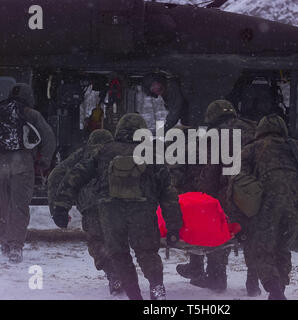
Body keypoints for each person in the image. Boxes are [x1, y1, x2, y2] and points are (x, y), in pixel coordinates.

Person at [53, 113, 183, 300]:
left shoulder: (104, 151)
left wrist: (61, 206)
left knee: (119, 254)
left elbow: (76, 176)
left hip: (111, 212)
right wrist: (173, 225)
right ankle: (157, 287)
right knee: (147, 251)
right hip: (143, 211)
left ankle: (134, 295)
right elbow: (167, 192)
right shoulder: (152, 154)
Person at [236, 114, 298, 299]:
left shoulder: (251, 149)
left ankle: (274, 289)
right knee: (282, 246)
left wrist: (238, 216)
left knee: (262, 248)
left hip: (267, 199)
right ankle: (278, 288)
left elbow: (237, 181)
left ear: (260, 131)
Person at [178, 100, 257, 292]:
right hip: (255, 192)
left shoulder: (215, 135)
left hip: (228, 191)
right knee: (253, 236)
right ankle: (253, 283)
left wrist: (203, 194)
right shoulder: (253, 130)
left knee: (220, 230)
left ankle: (216, 278)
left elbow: (210, 171)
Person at [48, 129, 122, 293]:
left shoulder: (82, 154)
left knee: (97, 240)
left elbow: (56, 176)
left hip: (91, 205)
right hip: (117, 204)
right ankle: (120, 271)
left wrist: (57, 207)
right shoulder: (119, 152)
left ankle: (113, 273)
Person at [0, 83, 56, 263]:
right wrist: (44, 162)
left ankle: (4, 243)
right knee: (19, 206)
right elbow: (49, 139)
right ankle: (15, 246)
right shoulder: (31, 114)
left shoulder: (1, 111)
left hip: (1, 164)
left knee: (3, 205)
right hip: (22, 164)